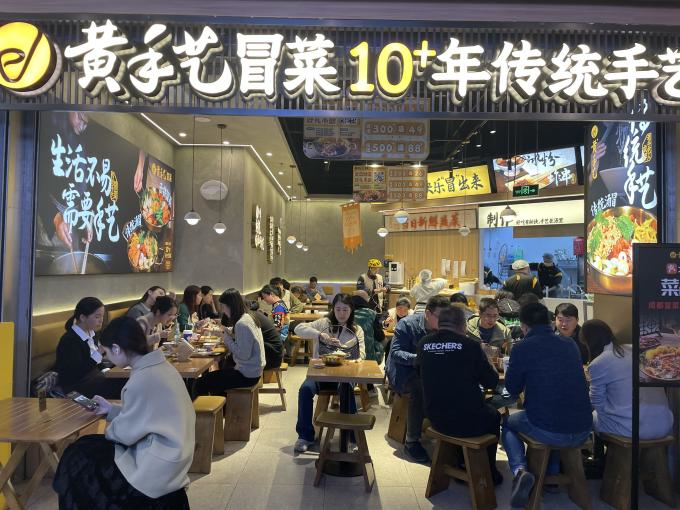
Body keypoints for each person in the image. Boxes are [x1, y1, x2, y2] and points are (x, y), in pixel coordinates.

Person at [53, 317, 194, 509]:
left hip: (156, 463)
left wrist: (113, 425)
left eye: (107, 352)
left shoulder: (141, 379)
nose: (108, 358)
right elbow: (147, 416)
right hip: (175, 455)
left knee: (78, 458)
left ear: (117, 348)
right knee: (85, 447)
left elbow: (122, 435)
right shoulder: (162, 368)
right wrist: (110, 410)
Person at [502, 303, 592, 508]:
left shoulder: (522, 348)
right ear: (551, 321)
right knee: (555, 414)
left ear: (524, 326)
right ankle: (551, 475)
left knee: (508, 422)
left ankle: (520, 471)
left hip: (550, 430)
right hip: (583, 429)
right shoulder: (569, 344)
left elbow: (513, 389)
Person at [417, 306, 503, 485]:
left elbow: (421, 371)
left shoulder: (423, 343)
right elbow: (491, 382)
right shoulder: (471, 346)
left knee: (462, 408)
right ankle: (488, 471)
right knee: (493, 415)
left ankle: (462, 461)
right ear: (462, 325)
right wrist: (487, 360)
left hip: (434, 417)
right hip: (467, 420)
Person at [293, 293, 365, 452]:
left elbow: (362, 354)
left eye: (345, 310)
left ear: (351, 310)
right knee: (305, 390)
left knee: (347, 389)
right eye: (338, 309)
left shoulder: (356, 330)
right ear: (333, 309)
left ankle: (352, 438)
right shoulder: (324, 323)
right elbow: (298, 328)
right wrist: (319, 335)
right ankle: (304, 436)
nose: (341, 313)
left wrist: (343, 350)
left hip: (344, 374)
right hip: (321, 373)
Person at [386, 295, 451, 463]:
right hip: (403, 372)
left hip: (429, 372)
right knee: (420, 388)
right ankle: (411, 441)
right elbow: (396, 354)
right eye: (441, 317)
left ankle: (451, 434)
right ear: (428, 314)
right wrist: (421, 358)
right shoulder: (407, 324)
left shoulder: (445, 328)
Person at [585, 320, 673, 439]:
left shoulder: (599, 362)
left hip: (633, 429)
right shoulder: (634, 349)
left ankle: (605, 451)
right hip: (665, 424)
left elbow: (596, 402)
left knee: (591, 417)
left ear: (589, 343)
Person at [196, 289, 265, 395]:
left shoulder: (242, 324)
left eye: (223, 307)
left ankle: (214, 405)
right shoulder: (248, 317)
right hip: (254, 370)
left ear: (230, 306)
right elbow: (237, 333)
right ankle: (222, 404)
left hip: (247, 374)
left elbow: (243, 355)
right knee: (214, 378)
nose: (223, 310)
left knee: (201, 382)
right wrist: (219, 331)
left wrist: (225, 337)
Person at [54, 297, 125, 399]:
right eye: (97, 317)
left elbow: (96, 364)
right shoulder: (70, 340)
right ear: (83, 317)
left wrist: (107, 370)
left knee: (126, 380)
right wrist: (99, 352)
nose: (101, 320)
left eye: (102, 316)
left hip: (92, 379)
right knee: (122, 385)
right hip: (76, 387)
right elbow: (76, 373)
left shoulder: (92, 334)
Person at [352, 290, 385, 365]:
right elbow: (380, 336)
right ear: (366, 300)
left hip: (348, 355)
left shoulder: (346, 311)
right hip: (369, 358)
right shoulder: (371, 313)